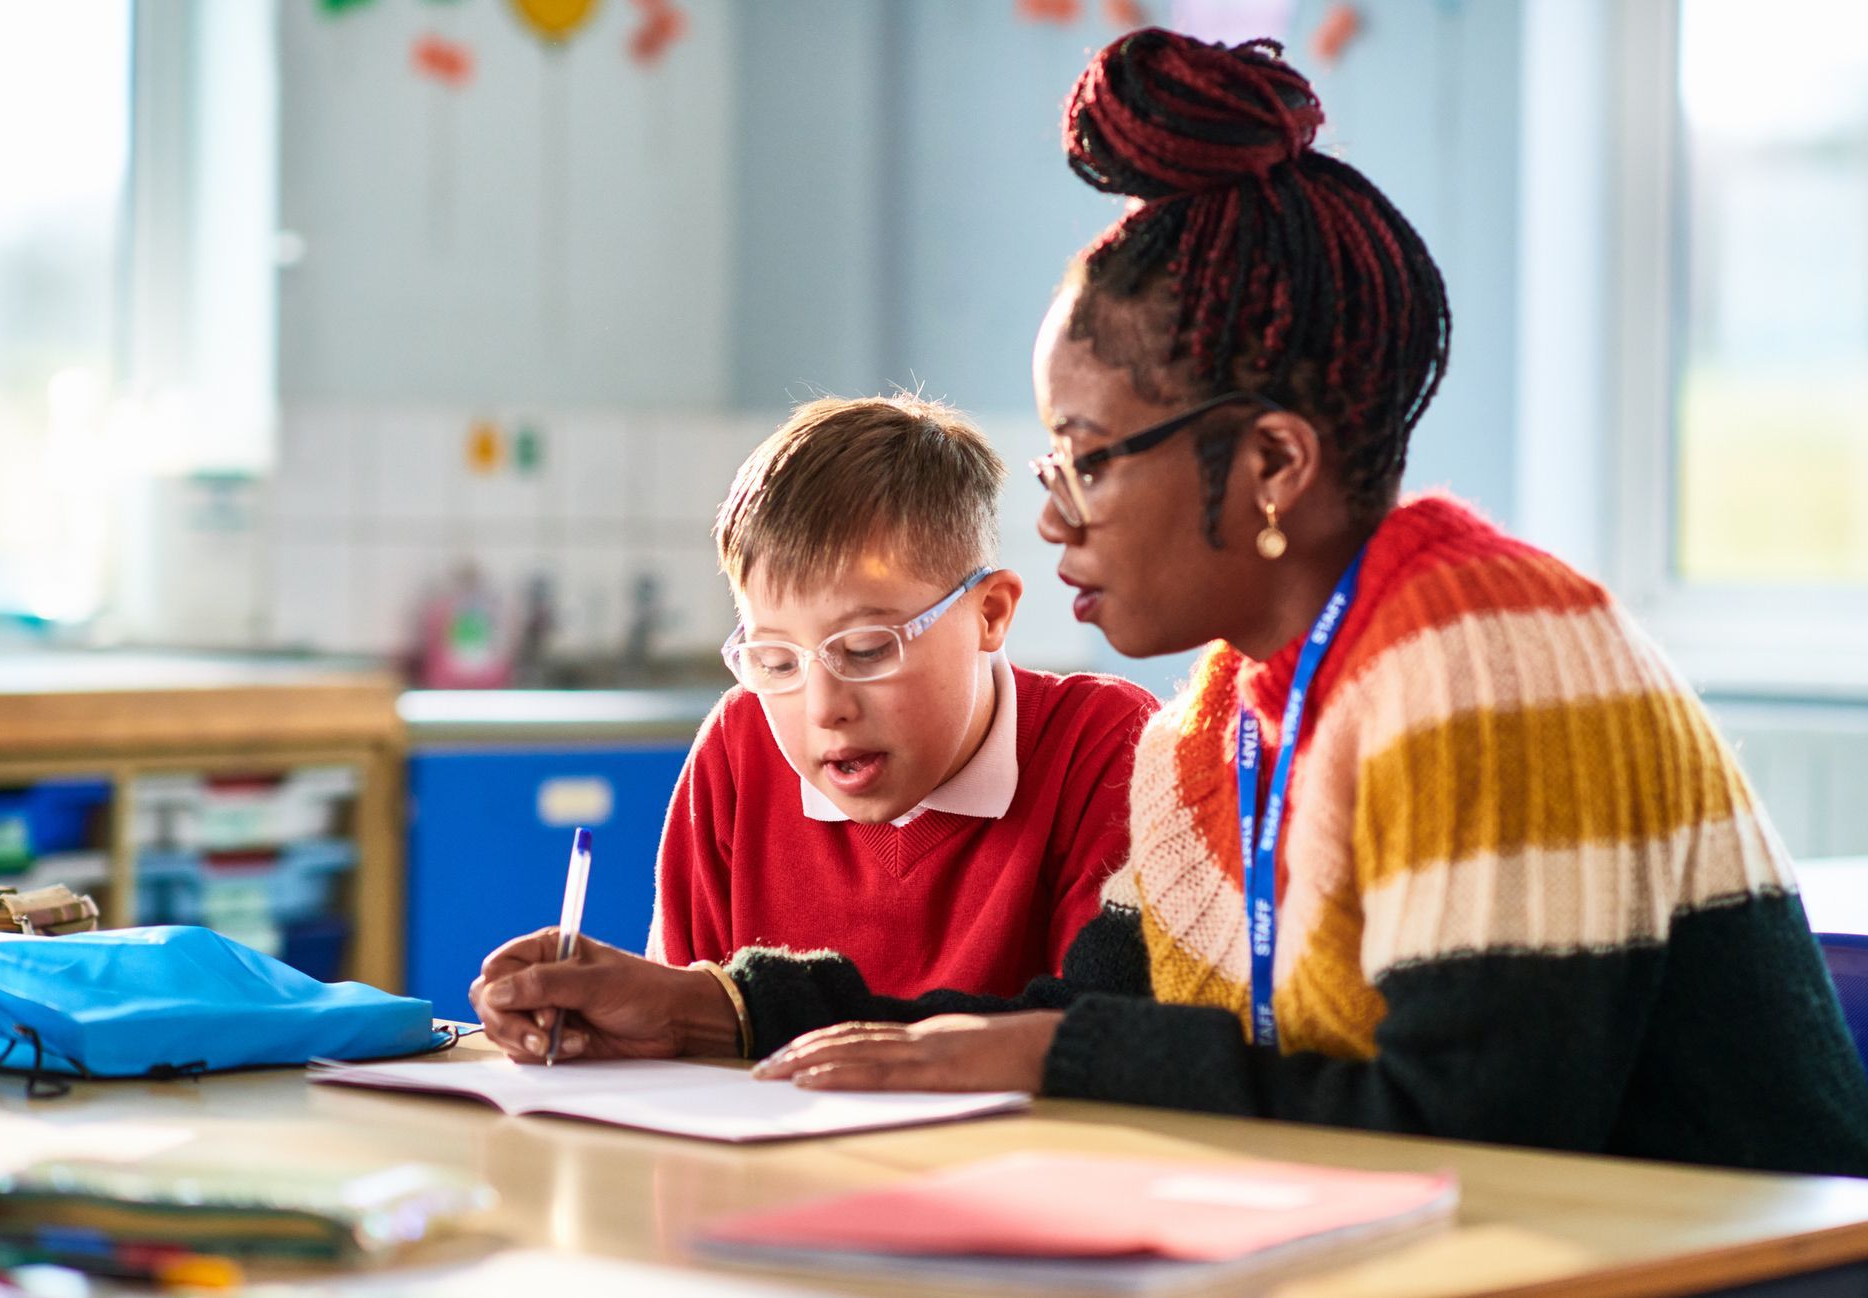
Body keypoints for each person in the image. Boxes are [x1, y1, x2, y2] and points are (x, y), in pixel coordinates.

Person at [473, 32, 1868, 1177]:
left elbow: (1475, 1133)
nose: (1057, 511)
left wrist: (1053, 1052)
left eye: (1089, 457)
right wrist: (709, 1005)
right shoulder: (1223, 718)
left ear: (1269, 464)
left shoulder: (1486, 657)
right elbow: (1069, 1017)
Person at [617, 395, 1156, 1000]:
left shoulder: (1106, 745)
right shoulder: (740, 746)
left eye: (868, 649)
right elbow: (682, 1028)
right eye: (776, 661)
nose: (824, 708)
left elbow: (1095, 1040)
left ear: (990, 613)